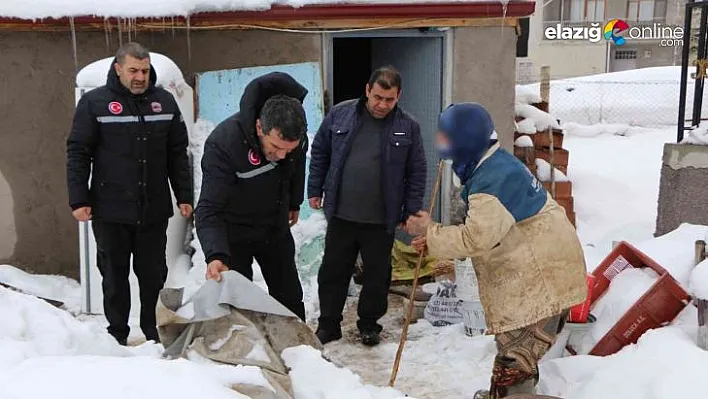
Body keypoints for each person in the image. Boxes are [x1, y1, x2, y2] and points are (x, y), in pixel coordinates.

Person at [405, 103, 587, 398]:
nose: (440, 142)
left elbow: (476, 238)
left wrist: (430, 231)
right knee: (516, 357)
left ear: (464, 140)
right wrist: (438, 240)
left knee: (514, 363)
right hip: (542, 270)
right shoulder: (494, 165)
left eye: (446, 136)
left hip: (541, 279)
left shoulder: (492, 179)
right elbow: (490, 230)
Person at [66, 42, 193, 346]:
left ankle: (152, 335)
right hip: (110, 209)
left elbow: (178, 153)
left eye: (145, 71)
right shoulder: (95, 103)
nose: (140, 77)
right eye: (134, 70)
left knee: (153, 276)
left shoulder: (163, 102)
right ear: (118, 69)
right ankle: (117, 335)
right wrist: (79, 198)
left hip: (153, 209)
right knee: (114, 276)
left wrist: (184, 195)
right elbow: (78, 153)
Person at [308, 66, 427, 346]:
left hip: (380, 219)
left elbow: (417, 171)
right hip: (341, 213)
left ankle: (369, 325)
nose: (382, 105)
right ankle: (329, 325)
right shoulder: (340, 114)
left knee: (377, 275)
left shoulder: (408, 126)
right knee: (333, 271)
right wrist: (314, 189)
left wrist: (410, 211)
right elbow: (320, 152)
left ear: (399, 97)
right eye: (377, 97)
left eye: (389, 100)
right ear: (367, 91)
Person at [195, 72, 309, 321]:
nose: (281, 156)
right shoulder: (224, 144)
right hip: (235, 230)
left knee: (288, 295)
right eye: (275, 147)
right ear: (259, 126)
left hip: (273, 226)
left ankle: (299, 350)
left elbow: (296, 167)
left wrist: (293, 202)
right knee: (239, 302)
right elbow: (208, 209)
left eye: (288, 150)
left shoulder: (295, 141)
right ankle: (247, 354)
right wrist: (215, 254)